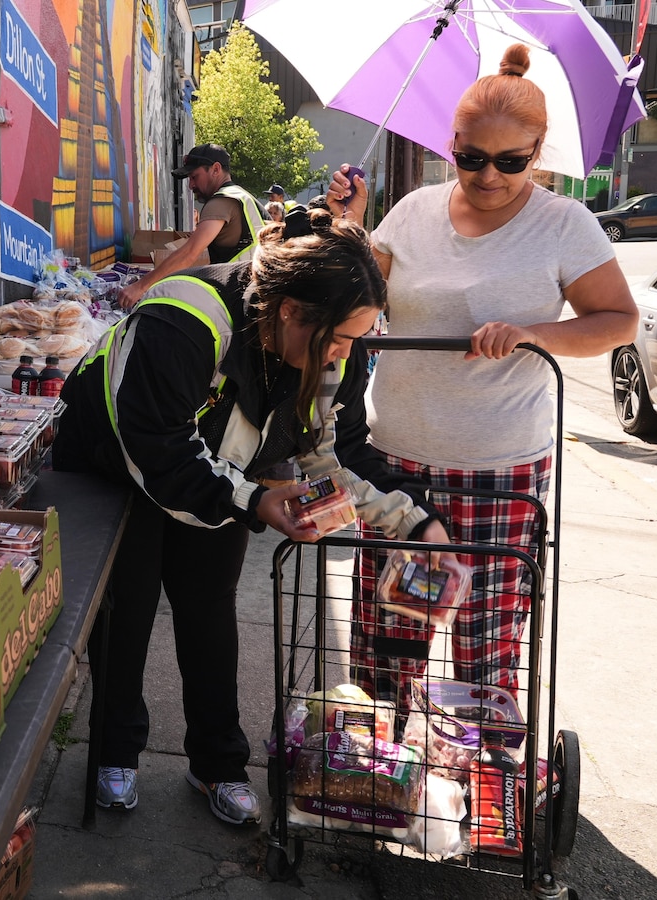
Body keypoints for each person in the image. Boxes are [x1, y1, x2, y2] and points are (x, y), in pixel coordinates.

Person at [54, 212, 451, 826]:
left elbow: (337, 453)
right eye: (340, 338)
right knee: (125, 613)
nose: (346, 355)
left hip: (224, 474)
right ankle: (114, 751)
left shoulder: (333, 353)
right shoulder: (184, 318)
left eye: (356, 338)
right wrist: (253, 500)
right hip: (113, 467)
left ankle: (217, 763)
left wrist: (418, 523)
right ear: (291, 310)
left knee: (208, 611)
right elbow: (156, 446)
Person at [324, 44, 638, 708]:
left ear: (537, 152)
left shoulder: (563, 226)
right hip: (396, 464)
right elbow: (362, 297)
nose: (488, 175)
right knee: (388, 641)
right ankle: (381, 776)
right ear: (453, 144)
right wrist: (348, 227)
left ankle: (487, 777)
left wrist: (533, 333)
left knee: (484, 644)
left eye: (511, 161)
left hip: (498, 472)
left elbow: (618, 320)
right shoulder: (412, 213)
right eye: (472, 158)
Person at [118, 145, 264, 309]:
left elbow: (189, 253)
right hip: (255, 295)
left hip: (243, 299)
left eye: (195, 177)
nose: (190, 185)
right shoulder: (243, 197)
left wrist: (140, 287)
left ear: (215, 169)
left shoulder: (222, 201)